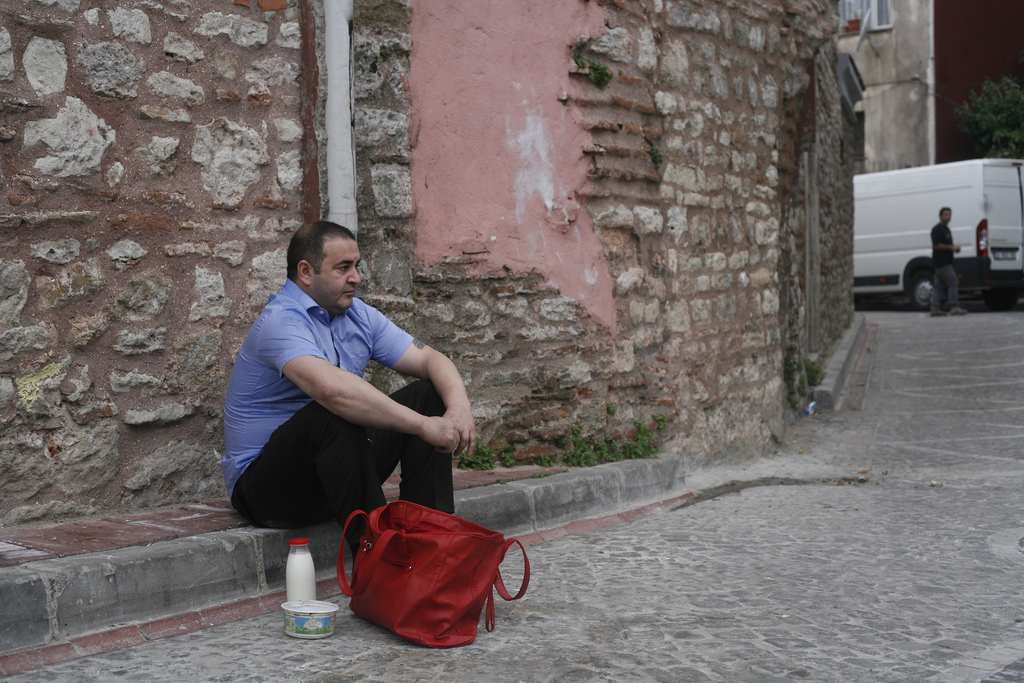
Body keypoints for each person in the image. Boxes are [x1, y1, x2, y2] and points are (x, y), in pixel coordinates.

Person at [222, 221, 475, 537]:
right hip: (267, 493)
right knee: (333, 412)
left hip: (334, 475)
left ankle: (427, 536)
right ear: (306, 272)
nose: (356, 277)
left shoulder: (358, 315)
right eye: (343, 268)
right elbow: (331, 390)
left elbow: (430, 359)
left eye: (356, 266)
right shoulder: (281, 322)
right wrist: (424, 426)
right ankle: (376, 551)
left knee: (430, 395)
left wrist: (459, 408)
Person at [930, 207, 966, 316]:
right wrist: (951, 248)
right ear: (940, 216)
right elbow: (936, 245)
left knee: (938, 285)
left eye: (949, 215)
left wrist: (954, 249)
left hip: (946, 261)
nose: (948, 217)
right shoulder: (937, 229)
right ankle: (954, 306)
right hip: (942, 262)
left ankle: (935, 308)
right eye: (946, 215)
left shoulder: (947, 229)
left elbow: (947, 244)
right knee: (953, 282)